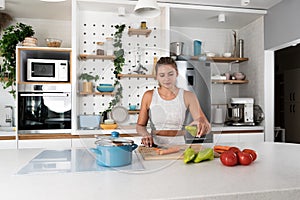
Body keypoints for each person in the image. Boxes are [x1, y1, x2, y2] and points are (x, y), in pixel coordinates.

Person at [136, 57, 211, 147]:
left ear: (177, 73)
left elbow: (206, 125)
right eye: (162, 75)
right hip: (154, 145)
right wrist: (145, 134)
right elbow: (140, 126)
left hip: (179, 145)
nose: (166, 79)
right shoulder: (149, 96)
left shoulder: (188, 96)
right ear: (156, 77)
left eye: (170, 74)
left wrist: (202, 122)